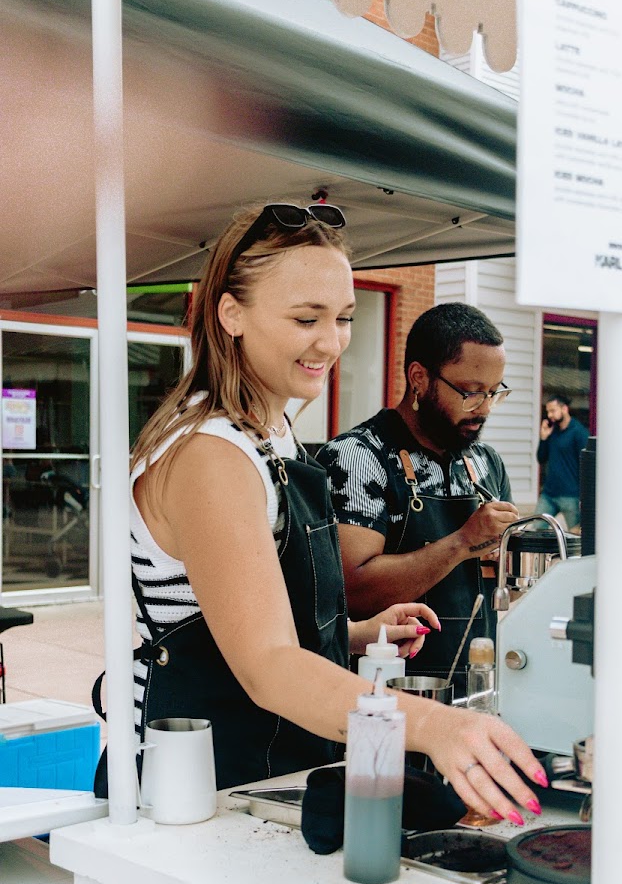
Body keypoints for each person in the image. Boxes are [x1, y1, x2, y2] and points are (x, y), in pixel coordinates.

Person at [94, 205, 546, 825]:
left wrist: (355, 634)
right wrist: (433, 725)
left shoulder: (272, 434)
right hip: (187, 791)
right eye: (306, 318)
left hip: (265, 773)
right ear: (232, 315)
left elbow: (244, 619)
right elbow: (267, 665)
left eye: (343, 318)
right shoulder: (211, 454)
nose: (331, 341)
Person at [317, 303, 519, 698]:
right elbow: (351, 590)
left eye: (494, 392)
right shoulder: (359, 457)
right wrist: (462, 543)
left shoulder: (485, 462)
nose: (484, 409)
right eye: (470, 392)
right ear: (419, 378)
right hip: (385, 693)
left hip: (478, 687)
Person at [535, 394, 588, 530]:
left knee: (575, 535)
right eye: (548, 411)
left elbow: (585, 465)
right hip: (549, 494)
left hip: (570, 495)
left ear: (564, 408)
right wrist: (543, 438)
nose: (549, 415)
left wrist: (584, 497)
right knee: (537, 529)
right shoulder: (552, 431)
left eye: (553, 411)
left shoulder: (579, 432)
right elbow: (541, 458)